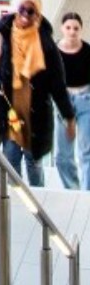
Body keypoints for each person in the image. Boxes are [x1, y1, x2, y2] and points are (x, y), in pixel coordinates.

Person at [0, 0, 76, 187]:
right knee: (11, 160)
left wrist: (68, 117)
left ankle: (37, 201)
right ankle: (13, 202)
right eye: (21, 9)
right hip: (9, 111)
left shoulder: (45, 43)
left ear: (37, 16)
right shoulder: (4, 33)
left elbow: (57, 85)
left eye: (30, 12)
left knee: (33, 162)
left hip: (35, 114)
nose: (24, 15)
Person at [54, 12, 90, 190]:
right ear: (62, 29)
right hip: (63, 102)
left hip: (85, 100)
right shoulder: (54, 52)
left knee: (87, 150)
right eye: (68, 28)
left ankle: (87, 191)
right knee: (63, 154)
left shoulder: (87, 50)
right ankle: (72, 189)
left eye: (76, 28)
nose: (72, 32)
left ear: (81, 30)